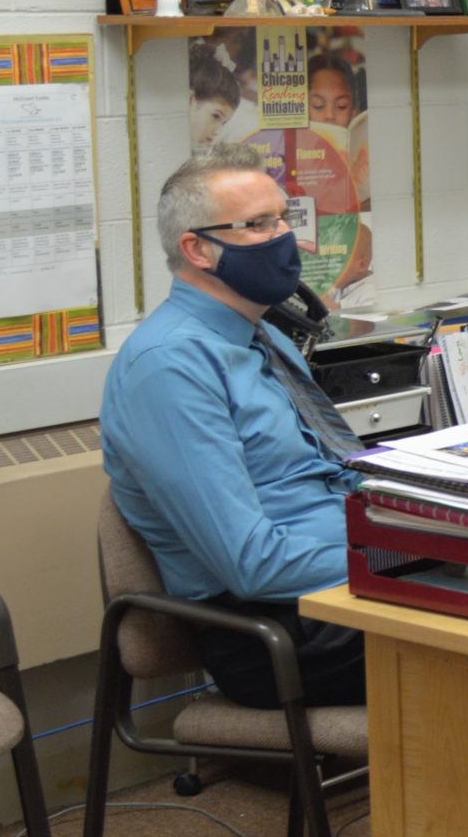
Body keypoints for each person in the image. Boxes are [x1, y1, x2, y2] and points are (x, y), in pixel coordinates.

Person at [101, 142, 366, 710]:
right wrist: (402, 552)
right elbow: (252, 564)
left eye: (282, 218)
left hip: (344, 584)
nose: (283, 239)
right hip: (274, 632)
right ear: (197, 249)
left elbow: (336, 470)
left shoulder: (259, 336)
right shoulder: (170, 366)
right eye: (257, 225)